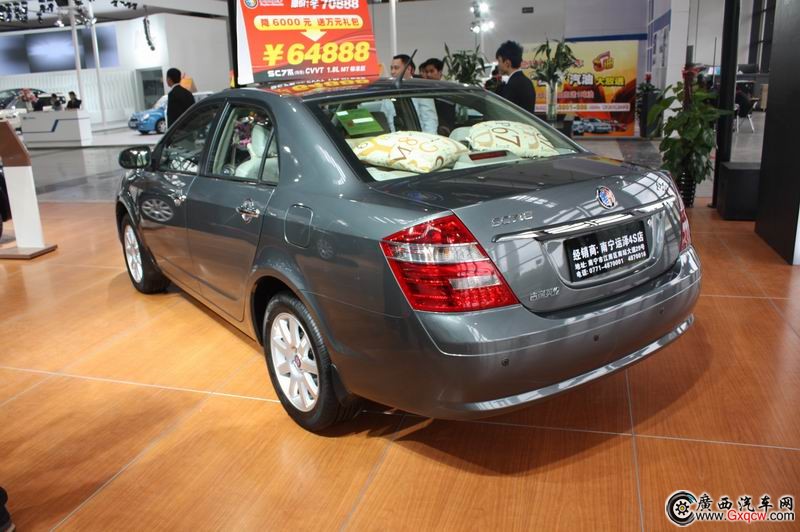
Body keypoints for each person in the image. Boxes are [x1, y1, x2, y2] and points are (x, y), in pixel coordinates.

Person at [383, 55, 439, 134]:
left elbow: (430, 121)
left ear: (408, 69)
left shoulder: (420, 90)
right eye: (391, 68)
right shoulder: (388, 92)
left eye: (396, 68)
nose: (392, 72)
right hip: (393, 138)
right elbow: (384, 119)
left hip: (419, 138)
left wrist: (429, 140)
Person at [495, 40, 536, 113]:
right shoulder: (527, 82)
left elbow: (504, 113)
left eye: (499, 61)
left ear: (507, 63)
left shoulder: (512, 85)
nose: (498, 65)